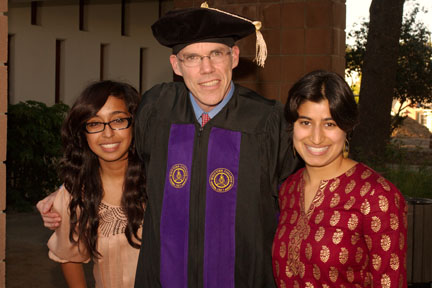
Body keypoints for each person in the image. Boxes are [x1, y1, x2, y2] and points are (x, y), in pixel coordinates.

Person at [38, 3, 298, 287]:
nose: (206, 69)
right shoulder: (158, 109)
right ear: (176, 65)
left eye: (216, 54)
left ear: (234, 57)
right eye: (192, 58)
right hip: (165, 276)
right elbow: (118, 150)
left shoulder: (268, 120)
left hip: (245, 278)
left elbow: (299, 191)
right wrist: (68, 190)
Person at [272, 70, 407, 288]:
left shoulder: (377, 197)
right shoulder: (288, 189)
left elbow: (390, 281)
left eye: (330, 124)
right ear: (292, 127)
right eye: (305, 122)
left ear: (347, 127)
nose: (316, 138)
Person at [40, 80, 146, 287]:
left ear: (135, 123)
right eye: (95, 123)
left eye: (118, 121)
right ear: (83, 133)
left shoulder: (163, 181)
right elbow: (69, 256)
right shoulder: (75, 194)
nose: (107, 133)